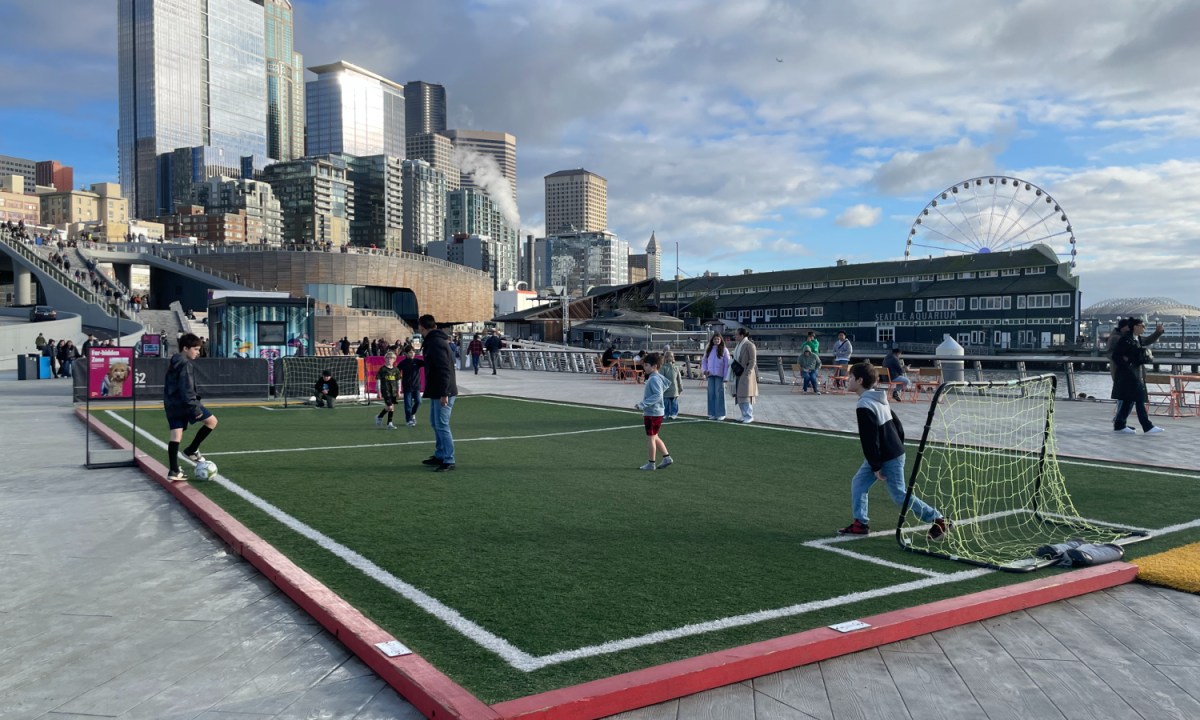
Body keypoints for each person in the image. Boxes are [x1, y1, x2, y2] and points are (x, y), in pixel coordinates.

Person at [838, 362, 950, 540]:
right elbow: (897, 425)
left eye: (850, 377)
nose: (847, 380)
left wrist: (876, 465)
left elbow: (870, 438)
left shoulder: (865, 404)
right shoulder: (877, 399)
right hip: (887, 453)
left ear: (859, 380)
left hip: (887, 455)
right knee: (859, 483)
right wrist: (890, 450)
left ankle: (938, 519)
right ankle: (860, 523)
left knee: (899, 495)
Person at [163, 333, 218, 482]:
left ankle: (174, 470)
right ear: (185, 348)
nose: (198, 352)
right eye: (195, 349)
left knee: (175, 435)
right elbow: (187, 390)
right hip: (186, 404)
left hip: (172, 404)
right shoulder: (185, 365)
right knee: (212, 422)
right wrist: (195, 410)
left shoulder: (174, 361)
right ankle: (192, 450)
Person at [1110, 317, 1164, 435]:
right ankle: (1147, 426)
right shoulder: (1126, 340)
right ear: (1135, 326)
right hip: (1129, 375)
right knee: (1139, 399)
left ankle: (1120, 425)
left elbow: (1148, 341)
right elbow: (1116, 356)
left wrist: (1158, 332)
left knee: (1129, 400)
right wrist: (1128, 363)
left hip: (1136, 373)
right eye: (1142, 326)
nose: (1144, 328)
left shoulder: (1137, 339)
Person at [419, 314, 458, 471]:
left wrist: (444, 393)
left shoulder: (435, 343)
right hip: (438, 390)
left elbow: (444, 369)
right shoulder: (433, 341)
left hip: (444, 391)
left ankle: (448, 459)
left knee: (441, 424)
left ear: (422, 327)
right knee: (436, 423)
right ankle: (441, 454)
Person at [634, 352, 672, 471]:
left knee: (650, 437)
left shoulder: (654, 379)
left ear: (654, 366)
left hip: (653, 413)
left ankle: (651, 463)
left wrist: (642, 404)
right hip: (656, 412)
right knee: (654, 436)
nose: (644, 367)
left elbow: (657, 395)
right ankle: (666, 457)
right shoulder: (656, 378)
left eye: (646, 365)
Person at [731, 328, 758, 424]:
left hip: (746, 373)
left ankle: (749, 415)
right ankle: (743, 414)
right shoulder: (739, 345)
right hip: (738, 372)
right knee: (739, 395)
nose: (735, 336)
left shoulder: (749, 345)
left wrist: (748, 372)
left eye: (737, 334)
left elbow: (753, 360)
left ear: (742, 335)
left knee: (746, 395)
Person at [701, 333, 730, 420]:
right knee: (711, 394)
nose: (716, 341)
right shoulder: (708, 350)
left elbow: (726, 364)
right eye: (714, 339)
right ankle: (712, 413)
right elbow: (704, 362)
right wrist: (704, 371)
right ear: (712, 340)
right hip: (710, 375)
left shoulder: (724, 350)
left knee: (719, 394)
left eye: (718, 339)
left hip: (719, 375)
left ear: (721, 340)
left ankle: (720, 413)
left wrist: (726, 377)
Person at [398, 344, 424, 426]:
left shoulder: (417, 361)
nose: (412, 354)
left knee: (419, 401)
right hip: (407, 387)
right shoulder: (402, 363)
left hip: (416, 386)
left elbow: (427, 363)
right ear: (406, 353)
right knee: (408, 404)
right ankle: (408, 420)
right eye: (410, 352)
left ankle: (412, 414)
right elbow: (396, 373)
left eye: (413, 352)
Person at [375, 352, 401, 429]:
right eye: (388, 358)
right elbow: (378, 380)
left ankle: (387, 422)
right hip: (385, 390)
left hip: (393, 390)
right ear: (385, 359)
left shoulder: (396, 370)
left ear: (394, 360)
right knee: (390, 407)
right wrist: (378, 391)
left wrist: (399, 391)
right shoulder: (382, 369)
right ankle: (383, 419)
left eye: (391, 358)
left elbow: (398, 380)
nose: (390, 359)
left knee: (391, 406)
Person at [660, 349, 684, 419]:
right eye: (668, 356)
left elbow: (679, 379)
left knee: (674, 403)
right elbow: (661, 378)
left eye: (672, 356)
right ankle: (666, 413)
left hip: (674, 389)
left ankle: (674, 414)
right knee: (666, 402)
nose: (670, 358)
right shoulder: (663, 368)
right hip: (666, 389)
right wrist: (661, 388)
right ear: (666, 358)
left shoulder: (676, 367)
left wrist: (680, 387)